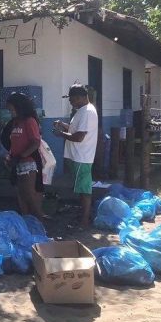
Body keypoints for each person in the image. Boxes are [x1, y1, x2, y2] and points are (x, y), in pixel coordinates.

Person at [54, 84, 99, 227]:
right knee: (81, 188)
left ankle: (84, 220)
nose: (70, 103)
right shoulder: (82, 111)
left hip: (82, 157)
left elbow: (79, 137)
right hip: (78, 157)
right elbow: (76, 130)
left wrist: (60, 134)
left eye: (72, 100)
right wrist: (63, 125)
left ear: (80, 97)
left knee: (84, 190)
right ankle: (83, 215)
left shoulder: (87, 112)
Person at [4, 93, 46, 220]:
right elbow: (14, 142)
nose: (10, 112)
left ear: (19, 107)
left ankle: (39, 221)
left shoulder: (30, 121)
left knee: (29, 195)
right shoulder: (16, 122)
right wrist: (10, 156)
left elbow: (35, 142)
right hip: (17, 162)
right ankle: (27, 223)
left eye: (12, 109)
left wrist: (21, 156)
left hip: (28, 162)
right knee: (21, 196)